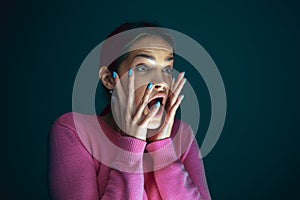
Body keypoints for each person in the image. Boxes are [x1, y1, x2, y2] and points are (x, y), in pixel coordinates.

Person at [48, 22, 211, 200]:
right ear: (109, 79)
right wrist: (132, 143)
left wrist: (163, 146)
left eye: (167, 69)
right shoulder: (74, 132)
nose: (161, 82)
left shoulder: (182, 135)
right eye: (143, 67)